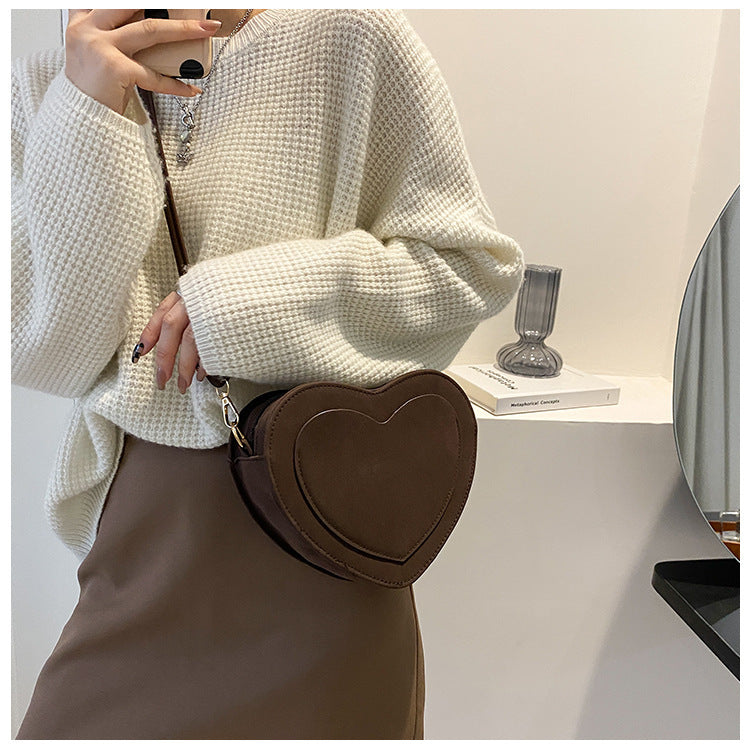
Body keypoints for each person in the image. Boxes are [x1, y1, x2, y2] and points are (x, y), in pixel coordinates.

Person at [11, 8, 524, 740]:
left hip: (317, 519)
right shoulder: (50, 79)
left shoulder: (349, 37)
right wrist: (88, 114)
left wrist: (244, 306)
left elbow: (470, 270)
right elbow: (46, 353)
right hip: (147, 527)